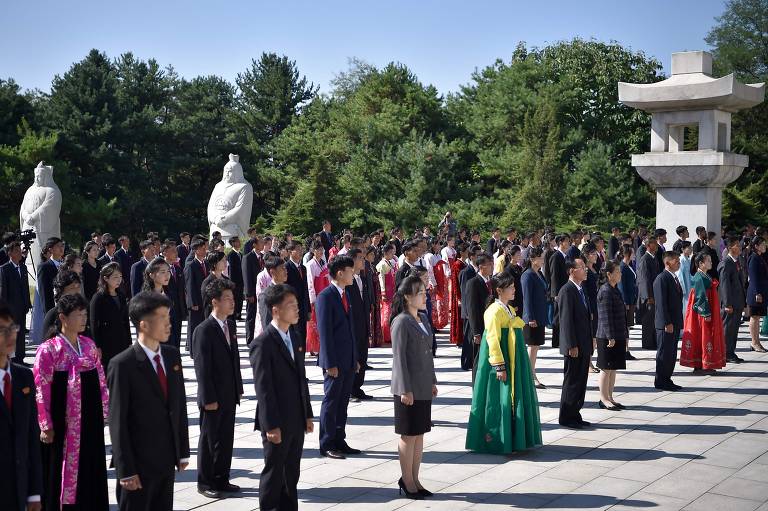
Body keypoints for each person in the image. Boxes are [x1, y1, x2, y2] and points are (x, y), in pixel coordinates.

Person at [108, 291, 190, 511]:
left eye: (168, 316)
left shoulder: (172, 356)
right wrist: (125, 470)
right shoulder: (122, 364)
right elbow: (117, 422)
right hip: (137, 464)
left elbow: (178, 405)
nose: (168, 323)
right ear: (143, 325)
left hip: (165, 458)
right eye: (162, 317)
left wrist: (182, 450)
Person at [34, 293, 109, 510]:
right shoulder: (48, 350)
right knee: (59, 469)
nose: (84, 319)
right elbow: (41, 388)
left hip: (89, 419)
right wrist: (45, 424)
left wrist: (105, 409)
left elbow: (101, 380)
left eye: (86, 314)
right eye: (79, 314)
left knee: (90, 466)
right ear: (63, 318)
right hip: (62, 423)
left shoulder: (88, 345)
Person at [249, 284, 314, 511]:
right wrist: (271, 426)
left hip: (296, 418)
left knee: (291, 472)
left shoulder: (294, 337)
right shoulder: (262, 344)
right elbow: (264, 390)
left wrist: (307, 414)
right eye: (291, 306)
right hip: (276, 421)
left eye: (297, 305)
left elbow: (301, 379)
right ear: (275, 310)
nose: (297, 310)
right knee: (274, 472)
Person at [466, 272, 542, 453]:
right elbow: (492, 340)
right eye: (511, 287)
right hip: (501, 360)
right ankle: (497, 439)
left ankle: (515, 437)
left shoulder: (508, 308)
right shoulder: (493, 311)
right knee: (499, 399)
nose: (514, 289)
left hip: (514, 358)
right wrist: (499, 366)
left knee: (512, 397)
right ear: (499, 290)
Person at [192, 278, 243, 499]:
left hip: (229, 392)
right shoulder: (204, 330)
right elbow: (202, 368)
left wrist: (238, 387)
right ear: (215, 302)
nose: (233, 303)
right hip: (212, 395)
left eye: (233, 298)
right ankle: (205, 481)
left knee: (226, 438)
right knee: (209, 440)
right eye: (228, 299)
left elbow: (235, 359)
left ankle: (222, 477)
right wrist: (208, 397)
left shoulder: (229, 325)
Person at [388, 274, 437, 500]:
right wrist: (404, 389)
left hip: (423, 384)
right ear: (407, 296)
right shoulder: (401, 321)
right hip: (407, 389)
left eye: (424, 292)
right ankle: (406, 480)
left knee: (419, 434)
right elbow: (399, 358)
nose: (424, 296)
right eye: (420, 293)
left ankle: (415, 479)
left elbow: (428, 354)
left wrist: (433, 380)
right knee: (408, 435)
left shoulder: (423, 319)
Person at [316, 255, 360, 459]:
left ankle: (339, 439)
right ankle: (326, 442)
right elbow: (324, 333)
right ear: (340, 273)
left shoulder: (345, 293)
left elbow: (349, 329)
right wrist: (329, 363)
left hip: (347, 359)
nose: (354, 273)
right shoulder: (326, 296)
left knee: (343, 402)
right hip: (334, 361)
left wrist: (355, 358)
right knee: (331, 401)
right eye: (350, 270)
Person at [0, 300, 43, 511]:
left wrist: (35, 492)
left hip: (20, 490)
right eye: (1, 330)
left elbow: (31, 438)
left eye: (12, 328)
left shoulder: (24, 377)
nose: (10, 336)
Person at [557, 258, 593, 429]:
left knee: (581, 381)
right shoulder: (567, 291)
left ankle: (575, 413)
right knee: (572, 381)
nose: (585, 270)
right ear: (571, 270)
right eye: (582, 267)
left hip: (584, 343)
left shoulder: (581, 289)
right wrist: (571, 345)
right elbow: (565, 321)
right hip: (574, 346)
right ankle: (566, 416)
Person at [680, 252, 726, 374]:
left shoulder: (704, 275)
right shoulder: (699, 277)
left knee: (703, 335)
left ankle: (703, 363)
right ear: (701, 264)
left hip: (707, 309)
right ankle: (702, 364)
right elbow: (700, 298)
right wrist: (706, 314)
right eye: (708, 260)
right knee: (703, 335)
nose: (711, 262)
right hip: (702, 313)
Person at [595, 261, 627, 410]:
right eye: (617, 271)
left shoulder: (615, 289)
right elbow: (605, 316)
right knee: (606, 368)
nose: (620, 274)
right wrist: (610, 336)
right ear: (609, 274)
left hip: (617, 334)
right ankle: (603, 398)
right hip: (607, 336)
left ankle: (610, 396)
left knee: (613, 368)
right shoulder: (605, 290)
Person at [89, 262, 131, 372]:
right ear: (106, 278)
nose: (119, 280)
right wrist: (97, 346)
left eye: (120, 277)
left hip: (121, 339)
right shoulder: (98, 298)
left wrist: (130, 341)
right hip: (106, 341)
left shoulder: (121, 296)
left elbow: (126, 320)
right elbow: (93, 323)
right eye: (115, 277)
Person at [653, 251, 684, 391]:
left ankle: (667, 379)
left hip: (675, 322)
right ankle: (660, 381)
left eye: (678, 259)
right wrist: (667, 322)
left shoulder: (673, 277)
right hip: (666, 324)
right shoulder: (661, 279)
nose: (678, 262)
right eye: (675, 260)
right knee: (664, 353)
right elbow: (661, 303)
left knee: (671, 354)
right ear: (667, 263)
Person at [0, 241, 32, 364]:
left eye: (20, 250)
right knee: (12, 333)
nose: (20, 253)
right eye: (17, 251)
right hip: (11, 308)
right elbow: (4, 290)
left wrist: (28, 303)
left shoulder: (23, 267)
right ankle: (12, 358)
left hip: (22, 306)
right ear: (10, 253)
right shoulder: (4, 269)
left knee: (22, 334)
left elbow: (25, 287)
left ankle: (20, 356)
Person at [347, 249, 373, 401]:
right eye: (360, 258)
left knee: (363, 357)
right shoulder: (348, 281)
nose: (363, 261)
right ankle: (350, 389)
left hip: (363, 324)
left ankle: (357, 387)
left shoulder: (360, 279)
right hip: (353, 325)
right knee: (354, 357)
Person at [462, 254, 494, 375]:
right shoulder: (473, 283)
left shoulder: (491, 282)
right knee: (478, 360)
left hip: (490, 326)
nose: (492, 266)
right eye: (489, 264)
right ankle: (476, 388)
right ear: (481, 266)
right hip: (479, 328)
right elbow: (472, 309)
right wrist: (476, 332)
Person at [521, 247, 548, 389]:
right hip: (532, 317)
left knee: (536, 346)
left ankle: (532, 373)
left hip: (540, 314)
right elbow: (527, 298)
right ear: (533, 260)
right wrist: (530, 317)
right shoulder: (527, 275)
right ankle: (530, 375)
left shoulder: (538, 273)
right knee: (532, 347)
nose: (543, 260)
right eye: (540, 258)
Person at [718, 237, 746, 363]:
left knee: (734, 330)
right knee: (728, 329)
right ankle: (725, 353)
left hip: (738, 302)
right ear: (730, 248)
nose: (740, 247)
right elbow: (724, 286)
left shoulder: (736, 261)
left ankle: (731, 352)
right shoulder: (726, 263)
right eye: (737, 246)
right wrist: (727, 304)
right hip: (730, 303)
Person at [305, 241, 330, 356]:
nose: (320, 252)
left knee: (322, 321)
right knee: (313, 322)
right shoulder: (310, 265)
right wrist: (312, 299)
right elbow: (310, 283)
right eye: (318, 250)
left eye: (322, 250)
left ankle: (320, 345)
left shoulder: (323, 263)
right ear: (313, 251)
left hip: (323, 293)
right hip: (316, 294)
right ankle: (312, 346)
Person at [636, 237, 660, 350]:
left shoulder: (653, 258)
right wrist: (649, 296)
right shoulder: (645, 259)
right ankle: (647, 343)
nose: (657, 245)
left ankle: (653, 341)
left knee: (653, 320)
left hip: (654, 294)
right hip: (648, 296)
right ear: (649, 245)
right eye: (654, 243)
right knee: (648, 321)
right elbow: (644, 279)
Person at [184, 238, 207, 352]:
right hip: (195, 302)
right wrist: (193, 303)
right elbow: (189, 286)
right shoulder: (190, 265)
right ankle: (192, 349)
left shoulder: (206, 263)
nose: (205, 250)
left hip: (205, 301)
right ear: (196, 250)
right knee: (193, 326)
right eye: (203, 249)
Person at [285, 241, 311, 344]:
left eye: (301, 249)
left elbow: (306, 289)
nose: (301, 251)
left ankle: (301, 359)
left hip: (303, 308)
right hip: (292, 308)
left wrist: (308, 308)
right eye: (298, 249)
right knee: (294, 336)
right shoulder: (286, 267)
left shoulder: (303, 268)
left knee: (302, 335)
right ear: (291, 252)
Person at [549, 234, 571, 349]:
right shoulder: (556, 256)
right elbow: (554, 276)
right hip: (558, 292)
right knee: (557, 316)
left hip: (564, 290)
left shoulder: (565, 256)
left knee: (562, 315)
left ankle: (561, 338)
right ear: (561, 242)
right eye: (567, 241)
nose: (569, 243)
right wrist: (555, 293)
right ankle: (556, 341)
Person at [747, 236, 768, 352]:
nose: (764, 246)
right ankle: (754, 342)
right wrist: (757, 292)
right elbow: (753, 277)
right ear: (756, 246)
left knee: (757, 317)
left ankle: (757, 342)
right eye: (762, 244)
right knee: (754, 317)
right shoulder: (754, 258)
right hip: (756, 293)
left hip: (761, 292)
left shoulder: (760, 257)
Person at [242, 236, 264, 345]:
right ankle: (250, 339)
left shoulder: (263, 257)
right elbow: (246, 277)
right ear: (254, 245)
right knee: (251, 315)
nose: (263, 244)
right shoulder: (247, 257)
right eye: (260, 242)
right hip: (252, 292)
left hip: (262, 292)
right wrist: (249, 294)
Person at [618, 245, 638, 361]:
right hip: (626, 302)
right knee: (624, 327)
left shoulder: (628, 266)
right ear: (627, 254)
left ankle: (626, 349)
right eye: (632, 252)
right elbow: (622, 286)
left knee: (627, 327)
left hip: (631, 300)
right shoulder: (622, 267)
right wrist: (625, 301)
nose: (634, 255)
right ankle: (624, 350)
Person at [376, 243, 398, 345]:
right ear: (385, 253)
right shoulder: (381, 264)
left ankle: (390, 333)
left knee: (390, 312)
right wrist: (383, 292)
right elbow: (381, 279)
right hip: (386, 291)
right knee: (386, 313)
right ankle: (386, 334)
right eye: (390, 252)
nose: (391, 254)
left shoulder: (389, 262)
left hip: (391, 290)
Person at [37, 237, 64, 314]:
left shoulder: (65, 265)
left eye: (62, 246)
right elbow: (44, 292)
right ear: (51, 249)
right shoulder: (44, 267)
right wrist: (49, 313)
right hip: (52, 308)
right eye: (58, 246)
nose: (61, 248)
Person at [448, 242, 468, 346]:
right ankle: (458, 339)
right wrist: (459, 298)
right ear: (462, 252)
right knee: (459, 317)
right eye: (466, 251)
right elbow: (456, 282)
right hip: (459, 294)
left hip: (464, 293)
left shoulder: (464, 263)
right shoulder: (457, 265)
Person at [200, 250, 228, 320]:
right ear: (215, 263)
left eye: (225, 260)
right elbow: (206, 307)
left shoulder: (227, 280)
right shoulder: (207, 282)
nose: (225, 263)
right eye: (222, 260)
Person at [226, 236, 244, 321]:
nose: (239, 243)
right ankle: (235, 314)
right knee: (235, 298)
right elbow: (231, 270)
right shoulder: (231, 255)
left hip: (241, 280)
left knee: (240, 298)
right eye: (237, 241)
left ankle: (239, 314)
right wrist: (232, 282)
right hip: (235, 281)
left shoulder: (240, 254)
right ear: (233, 243)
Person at [677, 241, 693, 319]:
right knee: (684, 308)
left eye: (691, 248)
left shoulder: (689, 259)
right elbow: (680, 276)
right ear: (683, 249)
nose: (691, 249)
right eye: (689, 248)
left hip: (690, 286)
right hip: (685, 288)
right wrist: (682, 289)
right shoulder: (681, 259)